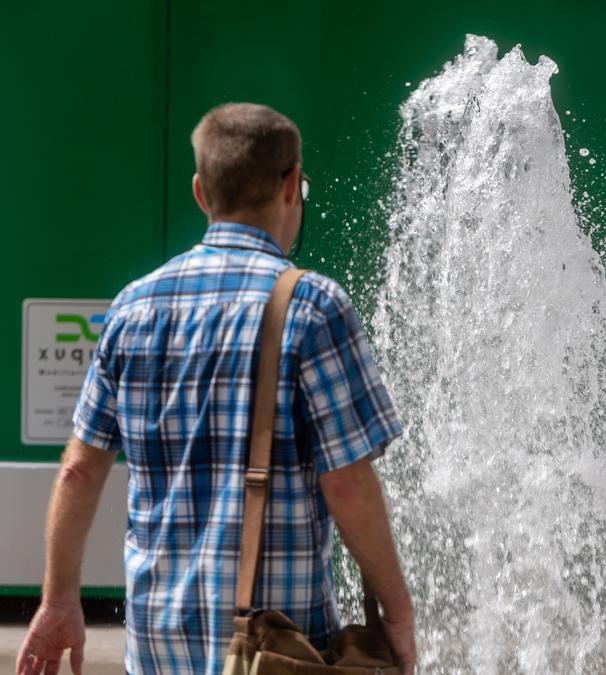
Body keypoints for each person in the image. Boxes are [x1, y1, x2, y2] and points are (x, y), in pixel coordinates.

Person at [16, 103, 417, 675]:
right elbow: (347, 485)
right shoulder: (313, 306)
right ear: (289, 186)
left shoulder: (134, 307)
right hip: (277, 645)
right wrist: (397, 611)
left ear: (202, 193)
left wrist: (58, 602)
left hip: (157, 639)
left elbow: (79, 471)